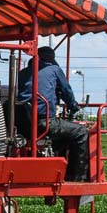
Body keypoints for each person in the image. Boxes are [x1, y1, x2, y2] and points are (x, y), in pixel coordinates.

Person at [17, 46, 89, 182]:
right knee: (81, 132)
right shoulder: (54, 70)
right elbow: (66, 91)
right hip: (43, 122)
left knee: (61, 136)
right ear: (51, 59)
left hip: (23, 123)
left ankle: (56, 170)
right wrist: (74, 107)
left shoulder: (22, 73)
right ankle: (77, 177)